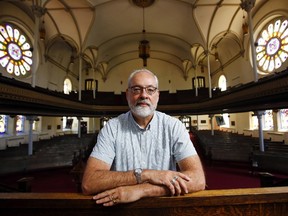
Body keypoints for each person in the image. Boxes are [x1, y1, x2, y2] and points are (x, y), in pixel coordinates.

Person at [81, 69, 206, 206]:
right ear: (127, 94)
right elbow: (89, 182)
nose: (144, 95)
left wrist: (141, 190)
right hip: (120, 210)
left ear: (157, 95)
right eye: (136, 89)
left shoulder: (174, 126)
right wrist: (145, 174)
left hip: (165, 210)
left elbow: (198, 179)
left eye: (150, 90)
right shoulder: (112, 128)